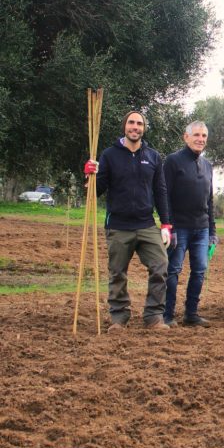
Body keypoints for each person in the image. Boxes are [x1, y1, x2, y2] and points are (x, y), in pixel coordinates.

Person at [85, 110, 172, 332]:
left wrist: (166, 224)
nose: (135, 127)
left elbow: (160, 191)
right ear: (125, 126)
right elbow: (96, 190)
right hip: (118, 226)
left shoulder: (153, 156)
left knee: (161, 265)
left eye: (139, 124)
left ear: (144, 128)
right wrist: (90, 176)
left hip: (146, 224)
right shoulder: (109, 155)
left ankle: (154, 316)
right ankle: (119, 317)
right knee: (117, 273)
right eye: (131, 123)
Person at [162, 121, 217, 328]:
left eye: (204, 136)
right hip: (179, 228)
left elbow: (209, 200)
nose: (200, 139)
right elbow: (165, 196)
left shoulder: (208, 165)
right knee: (173, 270)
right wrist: (169, 226)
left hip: (202, 228)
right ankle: (167, 315)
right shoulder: (172, 161)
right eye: (196, 135)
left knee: (200, 270)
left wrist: (212, 231)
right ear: (186, 137)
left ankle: (191, 314)